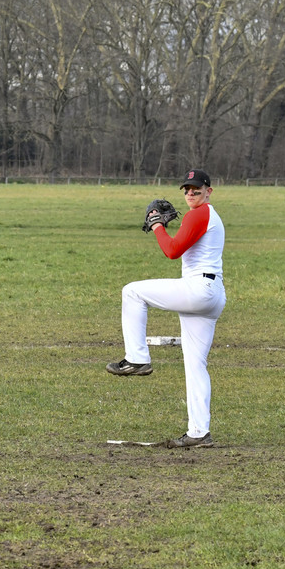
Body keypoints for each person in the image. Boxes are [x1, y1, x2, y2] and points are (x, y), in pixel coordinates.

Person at [106, 167, 226, 448]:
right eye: (187, 189)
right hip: (212, 294)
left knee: (132, 291)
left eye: (197, 188)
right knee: (195, 366)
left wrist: (158, 226)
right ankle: (199, 432)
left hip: (199, 290)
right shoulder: (208, 216)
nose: (191, 193)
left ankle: (137, 359)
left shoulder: (201, 213)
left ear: (209, 191)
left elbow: (172, 251)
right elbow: (183, 244)